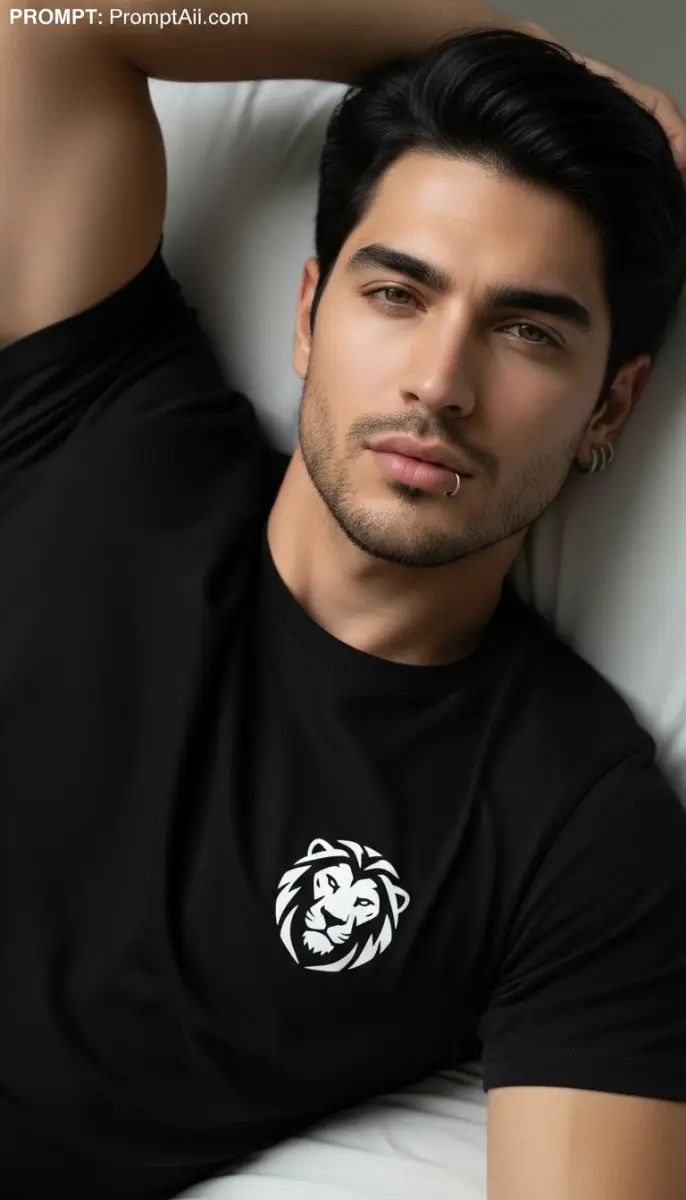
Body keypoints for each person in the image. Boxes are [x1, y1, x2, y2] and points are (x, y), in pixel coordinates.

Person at [1, 2, 686, 1198]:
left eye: (526, 329)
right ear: (309, 311)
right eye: (395, 294)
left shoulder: (575, 827)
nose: (439, 382)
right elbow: (51, 24)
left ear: (610, 407)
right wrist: (524, 49)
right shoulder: (99, 412)